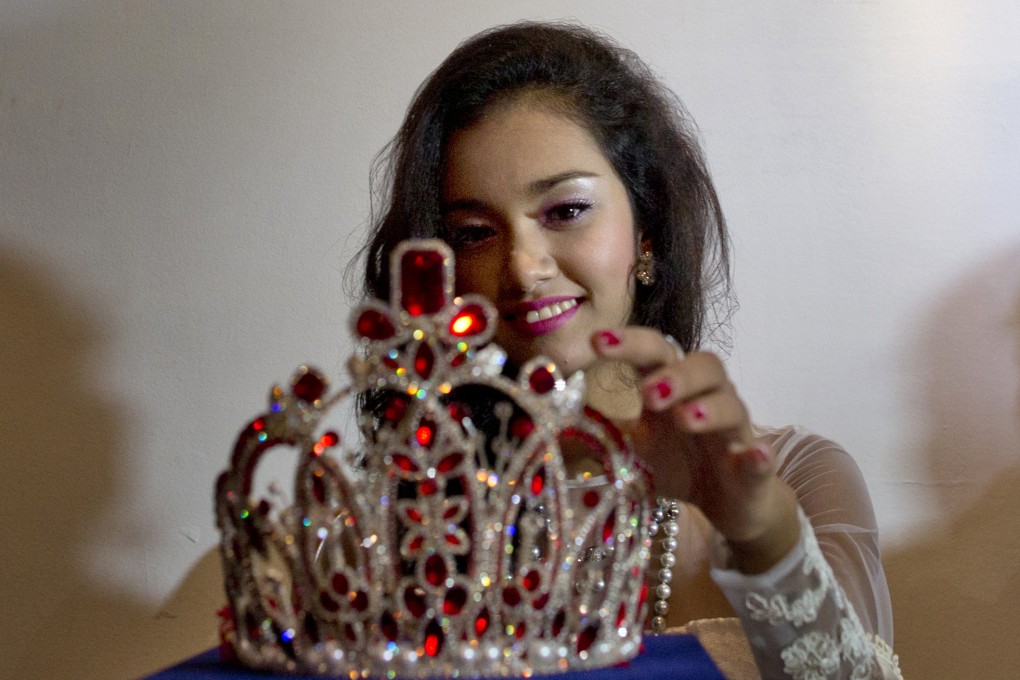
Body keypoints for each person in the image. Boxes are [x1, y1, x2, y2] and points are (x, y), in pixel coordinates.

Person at [358, 21, 900, 679]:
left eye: (564, 212)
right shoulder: (419, 506)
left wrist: (761, 533)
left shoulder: (799, 476)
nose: (524, 267)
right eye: (474, 233)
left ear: (645, 231)